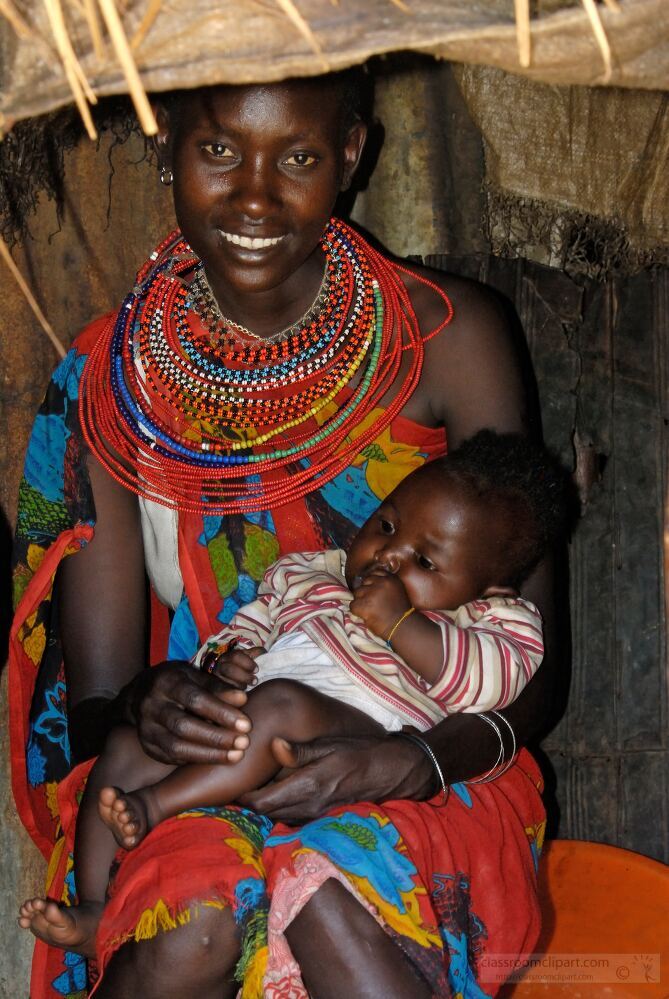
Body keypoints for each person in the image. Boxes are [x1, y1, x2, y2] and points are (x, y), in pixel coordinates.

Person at [10, 69, 557, 999]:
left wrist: (409, 761)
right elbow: (95, 705)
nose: (255, 196)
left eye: (298, 156)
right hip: (199, 766)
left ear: (350, 156)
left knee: (335, 889)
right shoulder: (107, 384)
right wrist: (158, 700)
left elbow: (535, 676)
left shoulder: (451, 342)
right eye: (218, 149)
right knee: (192, 921)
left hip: (427, 748)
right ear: (163, 147)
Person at [18, 429, 564, 955]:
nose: (387, 558)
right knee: (128, 745)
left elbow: (490, 682)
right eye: (386, 526)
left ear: (489, 589)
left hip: (358, 737)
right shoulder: (309, 575)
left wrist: (402, 626)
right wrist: (224, 664)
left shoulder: (495, 623)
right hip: (255, 720)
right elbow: (250, 625)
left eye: (424, 562)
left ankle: (155, 805)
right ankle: (95, 907)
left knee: (283, 702)